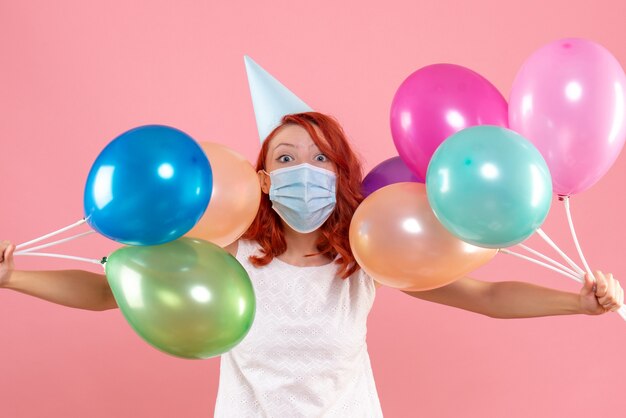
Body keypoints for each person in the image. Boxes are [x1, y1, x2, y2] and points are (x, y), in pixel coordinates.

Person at [0, 112, 623, 417]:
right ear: (263, 180)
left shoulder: (369, 255)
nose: (305, 172)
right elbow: (112, 289)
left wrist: (577, 302)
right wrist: (10, 275)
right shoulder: (231, 251)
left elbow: (484, 297)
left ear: (343, 176)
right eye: (288, 159)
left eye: (321, 160)